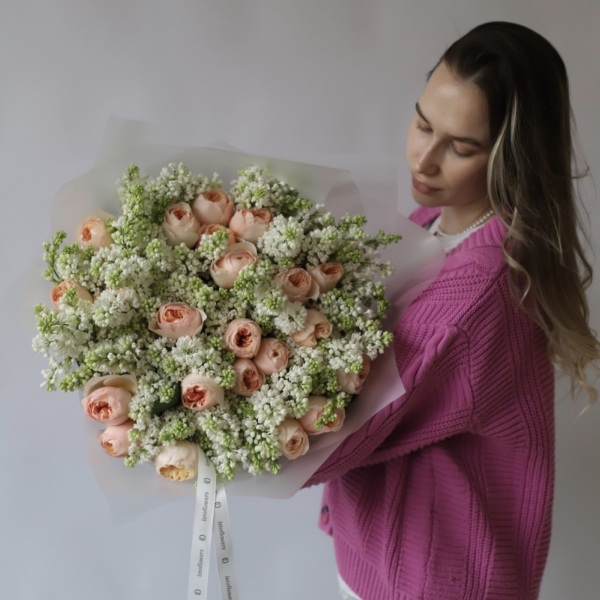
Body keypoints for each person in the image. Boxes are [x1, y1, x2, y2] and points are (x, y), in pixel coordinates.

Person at [305, 21, 600, 600]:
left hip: (436, 581)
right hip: (389, 562)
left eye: (460, 146)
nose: (426, 158)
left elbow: (343, 429)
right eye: (422, 124)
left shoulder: (484, 292)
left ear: (512, 157)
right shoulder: (430, 229)